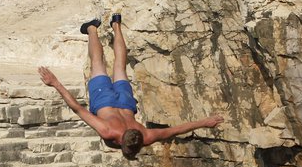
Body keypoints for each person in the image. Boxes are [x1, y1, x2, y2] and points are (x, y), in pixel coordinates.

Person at [38, 13, 223, 159]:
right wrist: (55, 83)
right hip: (105, 102)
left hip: (126, 103)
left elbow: (176, 129)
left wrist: (205, 122)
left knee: (119, 64)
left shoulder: (146, 136)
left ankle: (116, 24)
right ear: (120, 140)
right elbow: (77, 108)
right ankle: (92, 28)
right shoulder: (107, 131)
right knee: (98, 63)